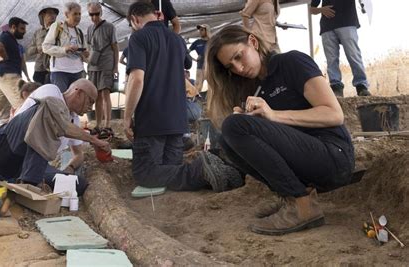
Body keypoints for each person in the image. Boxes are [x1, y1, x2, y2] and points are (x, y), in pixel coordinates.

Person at [205, 25, 355, 235]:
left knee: (233, 126)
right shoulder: (253, 87)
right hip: (305, 161)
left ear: (253, 42)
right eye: (230, 66)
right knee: (226, 138)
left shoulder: (291, 63)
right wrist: (248, 119)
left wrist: (273, 115)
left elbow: (334, 114)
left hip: (334, 157)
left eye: (239, 57)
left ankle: (300, 205)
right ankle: (295, 198)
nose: (238, 68)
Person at [124, 2, 243, 192]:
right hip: (177, 121)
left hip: (151, 120)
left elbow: (137, 79)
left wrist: (126, 116)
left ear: (135, 20)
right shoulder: (177, 40)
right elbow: (187, 63)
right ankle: (218, 166)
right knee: (171, 170)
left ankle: (201, 170)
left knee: (144, 173)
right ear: (158, 15)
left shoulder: (138, 38)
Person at [0, 79, 110, 196]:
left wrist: (69, 169)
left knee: (77, 184)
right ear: (79, 93)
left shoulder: (74, 120)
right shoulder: (52, 92)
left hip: (23, 165)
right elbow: (60, 124)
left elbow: (78, 154)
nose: (90, 108)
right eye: (90, 101)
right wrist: (95, 140)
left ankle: (2, 180)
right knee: (49, 111)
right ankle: (29, 183)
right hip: (3, 148)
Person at [310, 0, 371, 97]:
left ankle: (361, 87)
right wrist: (321, 10)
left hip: (347, 22)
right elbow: (311, 9)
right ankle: (336, 87)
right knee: (331, 60)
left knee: (353, 55)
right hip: (327, 27)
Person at [86, 2, 119, 138]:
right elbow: (89, 48)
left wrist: (116, 66)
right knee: (96, 96)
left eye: (96, 14)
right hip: (93, 65)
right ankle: (98, 125)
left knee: (105, 94)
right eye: (91, 14)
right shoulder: (89, 28)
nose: (94, 17)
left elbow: (115, 47)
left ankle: (107, 125)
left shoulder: (110, 27)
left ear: (101, 13)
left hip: (107, 63)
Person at [42, 2, 89, 93]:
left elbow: (86, 52)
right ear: (67, 14)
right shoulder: (58, 26)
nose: (78, 16)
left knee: (77, 102)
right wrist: (64, 49)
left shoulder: (80, 32)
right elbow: (45, 47)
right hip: (60, 72)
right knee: (62, 101)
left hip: (78, 72)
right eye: (75, 14)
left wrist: (85, 54)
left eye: (79, 14)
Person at [27, 5, 59, 85]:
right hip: (40, 68)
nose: (53, 15)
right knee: (40, 93)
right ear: (43, 16)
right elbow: (29, 51)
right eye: (50, 13)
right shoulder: (38, 33)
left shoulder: (59, 30)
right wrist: (38, 49)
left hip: (54, 68)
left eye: (55, 14)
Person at [188, 24, 211, 92]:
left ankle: (210, 102)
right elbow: (186, 52)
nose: (200, 31)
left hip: (211, 68)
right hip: (200, 68)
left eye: (202, 30)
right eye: (199, 30)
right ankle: (195, 101)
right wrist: (194, 59)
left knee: (212, 88)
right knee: (198, 86)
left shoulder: (212, 41)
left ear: (207, 30)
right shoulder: (197, 42)